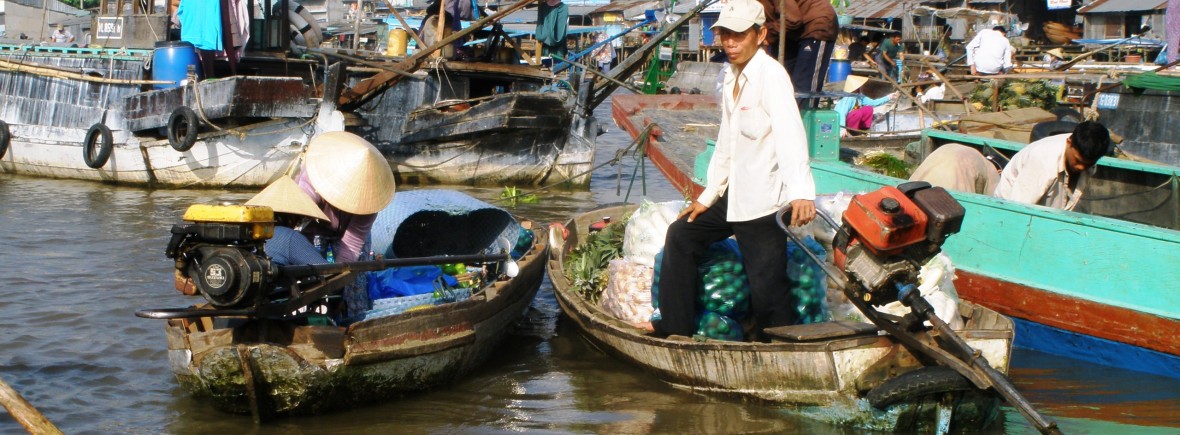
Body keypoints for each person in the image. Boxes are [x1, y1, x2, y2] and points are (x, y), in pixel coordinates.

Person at [641, 0, 816, 340]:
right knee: (682, 234)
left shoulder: (771, 77)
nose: (730, 43)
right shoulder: (733, 77)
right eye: (724, 35)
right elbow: (726, 144)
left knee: (768, 289)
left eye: (738, 35)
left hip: (763, 201)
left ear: (760, 34)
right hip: (735, 194)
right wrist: (707, 197)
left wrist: (801, 193)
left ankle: (783, 349)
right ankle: (675, 329)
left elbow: (791, 135)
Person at [294, 131, 397, 264]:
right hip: (313, 226)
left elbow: (352, 245)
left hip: (349, 231)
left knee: (354, 274)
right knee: (308, 270)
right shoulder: (313, 178)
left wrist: (339, 275)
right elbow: (296, 217)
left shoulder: (370, 201)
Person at [993, 121, 1111, 210]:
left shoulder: (1088, 163)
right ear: (1069, 142)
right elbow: (1017, 209)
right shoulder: (1042, 159)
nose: (1081, 168)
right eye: (1077, 161)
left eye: (1088, 164)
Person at [757, 0, 837, 107]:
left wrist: (768, 34)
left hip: (815, 27)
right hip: (790, 33)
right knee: (781, 80)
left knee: (803, 88)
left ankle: (805, 120)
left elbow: (792, 19)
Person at [245, 176, 330, 266]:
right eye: (298, 216)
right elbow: (328, 271)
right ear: (291, 217)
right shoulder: (288, 237)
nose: (300, 220)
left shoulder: (249, 232)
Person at [909, 144, 1001, 195]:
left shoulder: (952, 147)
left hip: (917, 189)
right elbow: (994, 200)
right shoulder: (990, 169)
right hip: (950, 194)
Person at [832, 75, 898, 135]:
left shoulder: (860, 97)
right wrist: (842, 129)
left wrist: (889, 97)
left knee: (868, 109)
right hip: (841, 123)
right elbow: (841, 113)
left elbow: (874, 103)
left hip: (851, 120)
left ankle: (862, 128)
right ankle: (852, 131)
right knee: (858, 112)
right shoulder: (848, 98)